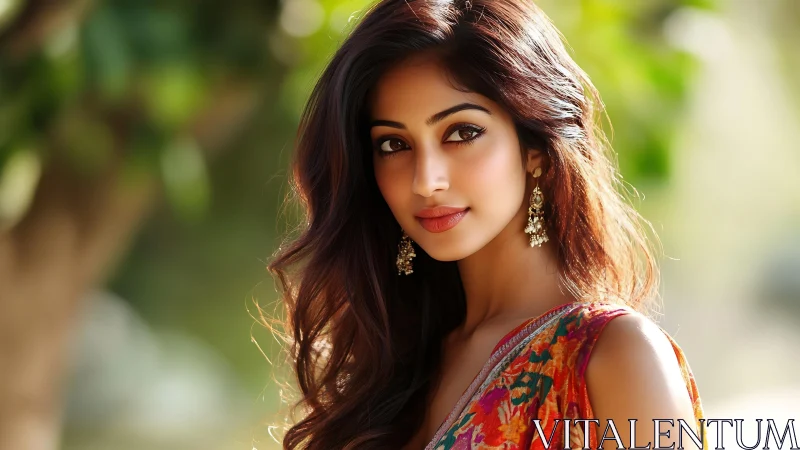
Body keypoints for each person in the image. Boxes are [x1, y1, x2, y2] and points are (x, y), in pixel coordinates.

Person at [267, 0, 707, 449]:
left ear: (534, 146)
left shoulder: (614, 356)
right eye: (394, 144)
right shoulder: (393, 365)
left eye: (461, 133)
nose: (426, 180)